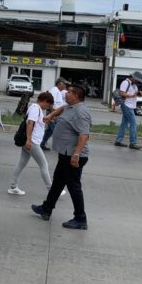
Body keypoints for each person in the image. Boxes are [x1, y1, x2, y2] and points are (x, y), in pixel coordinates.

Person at [31, 82, 91, 230]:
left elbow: (84, 136)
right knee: (58, 182)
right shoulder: (70, 107)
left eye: (69, 92)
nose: (66, 93)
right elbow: (62, 109)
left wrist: (76, 154)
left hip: (73, 156)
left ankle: (80, 218)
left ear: (76, 96)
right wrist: (51, 115)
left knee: (74, 186)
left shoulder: (81, 112)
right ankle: (46, 208)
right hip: (65, 154)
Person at [8, 92, 57, 196]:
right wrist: (29, 140)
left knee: (22, 163)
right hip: (32, 142)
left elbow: (36, 123)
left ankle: (13, 186)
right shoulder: (35, 108)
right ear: (44, 101)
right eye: (48, 105)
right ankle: (52, 190)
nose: (48, 107)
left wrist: (46, 120)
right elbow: (30, 123)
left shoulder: (38, 109)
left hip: (31, 141)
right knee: (43, 164)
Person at [114, 71, 142, 150]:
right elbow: (122, 93)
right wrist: (132, 95)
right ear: (133, 77)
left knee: (124, 124)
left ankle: (118, 141)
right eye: (137, 79)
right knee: (133, 124)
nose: (138, 81)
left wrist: (139, 93)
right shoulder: (125, 82)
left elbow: (134, 94)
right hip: (126, 105)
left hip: (131, 106)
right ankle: (133, 143)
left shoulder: (134, 85)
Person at [40, 78, 67, 150]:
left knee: (50, 130)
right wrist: (52, 113)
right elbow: (50, 102)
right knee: (56, 130)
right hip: (52, 112)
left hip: (54, 113)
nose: (65, 86)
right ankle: (61, 146)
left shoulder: (57, 91)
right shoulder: (55, 90)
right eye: (64, 84)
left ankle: (41, 143)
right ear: (59, 84)